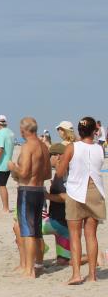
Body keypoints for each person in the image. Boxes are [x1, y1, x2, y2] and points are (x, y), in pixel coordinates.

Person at [55, 116, 106, 284]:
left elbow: (60, 173)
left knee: (75, 235)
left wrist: (58, 161)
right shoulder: (99, 149)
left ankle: (76, 274)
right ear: (94, 131)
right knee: (91, 235)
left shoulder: (72, 147)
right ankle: (92, 275)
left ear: (79, 131)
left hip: (76, 192)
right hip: (95, 191)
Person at [8, 117, 50, 278]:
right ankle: (39, 265)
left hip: (27, 191)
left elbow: (24, 173)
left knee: (27, 231)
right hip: (39, 191)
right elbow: (48, 173)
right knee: (37, 231)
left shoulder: (27, 146)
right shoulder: (43, 146)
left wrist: (13, 167)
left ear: (23, 130)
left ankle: (29, 269)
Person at [43, 143, 71, 266]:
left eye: (50, 156)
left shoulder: (65, 173)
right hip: (61, 223)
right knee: (63, 261)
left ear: (58, 156)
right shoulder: (59, 173)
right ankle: (95, 257)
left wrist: (47, 196)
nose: (48, 159)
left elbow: (68, 197)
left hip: (59, 223)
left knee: (26, 227)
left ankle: (40, 248)